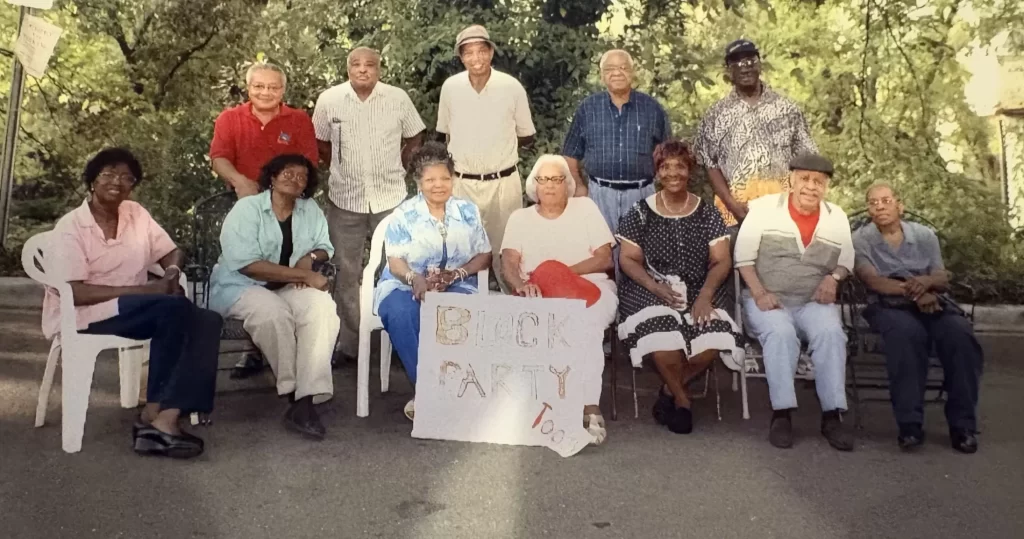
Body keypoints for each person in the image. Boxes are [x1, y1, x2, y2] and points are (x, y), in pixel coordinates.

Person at [43, 148, 222, 459]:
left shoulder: (135, 213)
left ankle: (160, 414)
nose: (118, 182)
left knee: (209, 320)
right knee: (174, 310)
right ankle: (158, 418)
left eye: (127, 177)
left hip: (136, 308)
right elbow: (76, 293)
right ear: (92, 182)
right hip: (85, 314)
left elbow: (171, 251)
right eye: (109, 175)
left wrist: (171, 274)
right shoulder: (71, 227)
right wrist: (149, 291)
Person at [616, 140, 746, 435]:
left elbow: (722, 261)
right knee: (664, 341)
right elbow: (628, 259)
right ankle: (684, 401)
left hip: (702, 286)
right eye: (665, 167)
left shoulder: (707, 213)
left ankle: (668, 391)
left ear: (690, 171)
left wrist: (705, 296)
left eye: (680, 166)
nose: (673, 172)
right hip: (649, 286)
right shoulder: (640, 212)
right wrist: (655, 286)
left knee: (713, 336)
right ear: (657, 173)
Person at [209, 154, 340, 440]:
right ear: (272, 177)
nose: (295, 179)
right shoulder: (247, 209)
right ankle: (297, 395)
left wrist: (310, 257)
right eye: (287, 173)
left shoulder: (310, 209)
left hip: (285, 287)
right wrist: (304, 276)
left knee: (321, 307)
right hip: (240, 285)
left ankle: (307, 395)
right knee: (272, 312)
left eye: (302, 176)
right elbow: (247, 264)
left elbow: (325, 246)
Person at [312, 47, 426, 364]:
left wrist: (403, 163)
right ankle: (352, 345)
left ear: (380, 69)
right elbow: (320, 141)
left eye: (370, 65)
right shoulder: (329, 100)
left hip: (391, 197)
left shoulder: (397, 98)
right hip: (344, 198)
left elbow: (416, 134)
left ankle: (404, 343)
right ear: (347, 68)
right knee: (346, 272)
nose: (363, 70)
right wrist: (337, 165)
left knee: (399, 267)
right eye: (356, 65)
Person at [734, 153, 854, 451]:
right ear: (791, 180)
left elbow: (847, 259)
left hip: (812, 301)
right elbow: (743, 259)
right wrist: (760, 292)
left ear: (826, 186)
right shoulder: (763, 210)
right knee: (781, 333)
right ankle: (782, 414)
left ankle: (832, 415)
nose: (811, 187)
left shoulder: (835, 215)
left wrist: (835, 277)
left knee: (831, 334)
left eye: (819, 182)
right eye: (805, 179)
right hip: (767, 299)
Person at [853, 184, 983, 453]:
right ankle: (910, 426)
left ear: (899, 205)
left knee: (960, 336)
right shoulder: (860, 239)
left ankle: (963, 426)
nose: (879, 206)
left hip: (933, 300)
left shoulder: (924, 235)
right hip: (887, 305)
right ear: (868, 209)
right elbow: (874, 281)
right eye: (873, 202)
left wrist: (925, 283)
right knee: (906, 336)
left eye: (886, 200)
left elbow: (941, 277)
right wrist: (918, 292)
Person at [500, 154, 616, 444]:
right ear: (533, 185)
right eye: (543, 179)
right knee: (524, 323)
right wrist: (521, 285)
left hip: (590, 286)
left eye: (556, 179)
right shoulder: (520, 218)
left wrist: (563, 274)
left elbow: (604, 260)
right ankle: (533, 407)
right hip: (538, 290)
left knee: (585, 324)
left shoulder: (586, 209)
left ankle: (590, 406)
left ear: (568, 184)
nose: (549, 186)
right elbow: (509, 263)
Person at [375, 142, 493, 421]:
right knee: (401, 312)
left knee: (462, 313)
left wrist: (457, 274)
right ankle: (428, 389)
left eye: (444, 178)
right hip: (406, 282)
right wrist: (415, 279)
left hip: (457, 282)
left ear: (452, 179)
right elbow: (395, 261)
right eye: (430, 179)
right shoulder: (404, 214)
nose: (438, 185)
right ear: (418, 182)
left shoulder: (467, 211)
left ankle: (458, 390)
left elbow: (484, 254)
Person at [436, 24, 535, 291]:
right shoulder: (451, 87)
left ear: (491, 52)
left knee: (508, 256)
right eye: (469, 53)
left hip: (504, 184)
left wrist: (496, 153)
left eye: (481, 50)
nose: (476, 58)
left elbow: (527, 136)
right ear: (461, 56)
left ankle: (515, 316)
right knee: (461, 254)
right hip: (463, 184)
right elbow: (444, 135)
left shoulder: (511, 86)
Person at [694, 39, 818, 229]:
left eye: (750, 61)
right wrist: (732, 205)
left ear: (759, 64)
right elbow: (710, 165)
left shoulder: (787, 109)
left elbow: (808, 160)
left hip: (784, 213)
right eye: (737, 63)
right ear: (729, 71)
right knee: (740, 259)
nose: (745, 68)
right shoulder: (715, 116)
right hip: (735, 215)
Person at [563, 49, 672, 236]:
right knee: (602, 254)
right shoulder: (588, 108)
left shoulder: (652, 108)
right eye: (610, 68)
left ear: (632, 72)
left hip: (642, 194)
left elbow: (670, 154)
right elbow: (570, 154)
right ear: (602, 75)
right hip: (599, 195)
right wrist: (580, 187)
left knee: (640, 254)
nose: (617, 73)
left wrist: (666, 192)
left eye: (623, 67)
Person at [209, 63, 319, 198]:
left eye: (273, 87)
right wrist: (241, 182)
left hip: (289, 200)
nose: (266, 93)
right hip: (241, 197)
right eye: (258, 86)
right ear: (248, 87)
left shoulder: (299, 119)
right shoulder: (229, 118)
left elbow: (309, 163)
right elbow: (219, 159)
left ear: (283, 89)